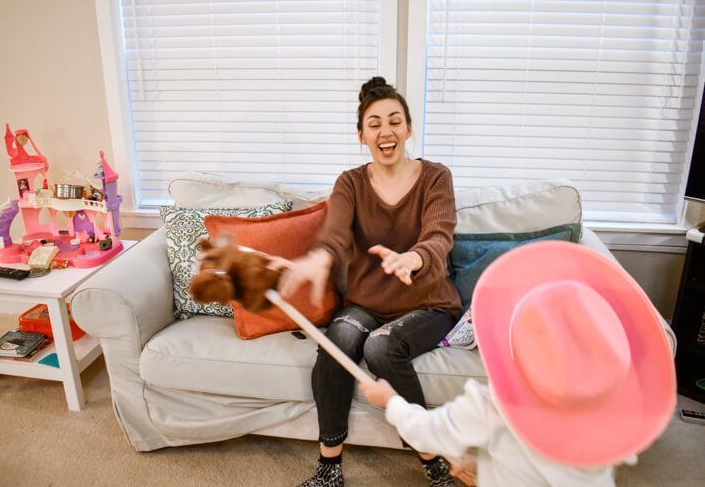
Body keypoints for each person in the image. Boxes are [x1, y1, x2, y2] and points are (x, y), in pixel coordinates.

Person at [360, 240, 677, 487]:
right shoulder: (608, 427)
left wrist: (390, 401)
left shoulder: (491, 406)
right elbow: (538, 467)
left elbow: (425, 431)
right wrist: (484, 467)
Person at [275, 76, 463, 487]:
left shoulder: (435, 177)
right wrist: (318, 261)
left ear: (409, 129)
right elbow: (334, 235)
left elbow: (439, 233)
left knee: (381, 346)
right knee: (335, 342)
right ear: (362, 136)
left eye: (395, 121)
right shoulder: (351, 182)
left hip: (427, 302)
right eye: (374, 123)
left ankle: (433, 462)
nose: (386, 130)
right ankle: (329, 469)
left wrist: (413, 257)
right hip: (366, 302)